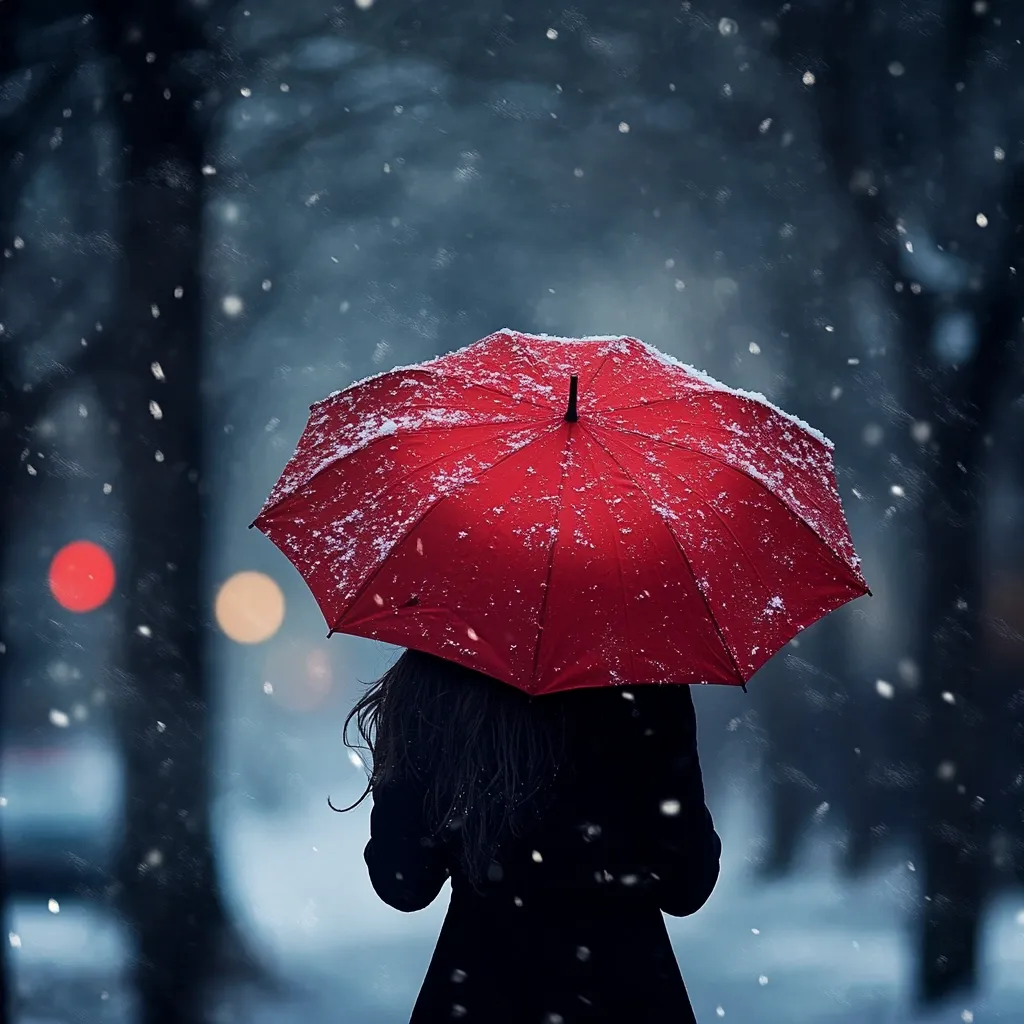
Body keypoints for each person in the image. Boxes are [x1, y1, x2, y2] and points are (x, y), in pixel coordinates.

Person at [336, 648, 722, 1024]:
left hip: (480, 992)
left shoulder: (441, 666)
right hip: (626, 993)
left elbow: (404, 884)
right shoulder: (640, 675)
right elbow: (685, 885)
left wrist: (402, 755)